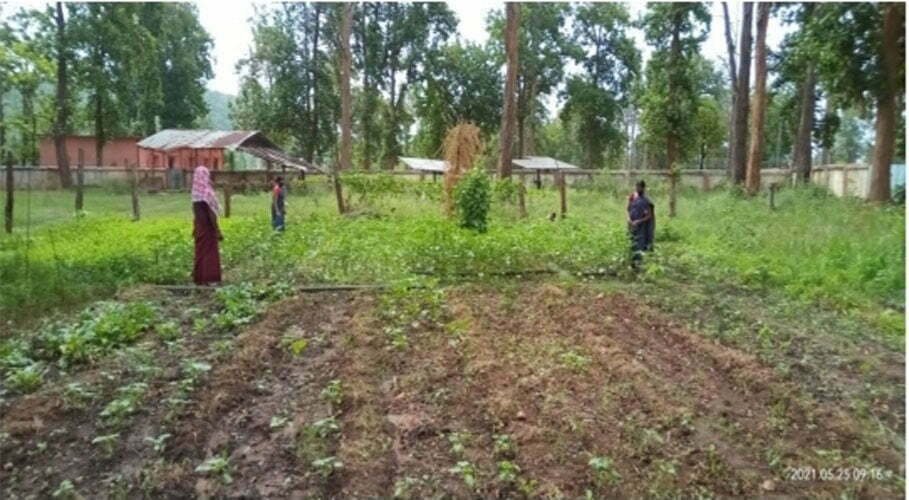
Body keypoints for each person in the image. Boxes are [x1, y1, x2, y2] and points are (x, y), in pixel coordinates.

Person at [191, 165, 222, 285]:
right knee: (210, 254)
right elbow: (211, 214)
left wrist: (194, 228)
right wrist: (217, 230)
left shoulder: (195, 193)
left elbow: (195, 213)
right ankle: (210, 279)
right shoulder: (206, 193)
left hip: (199, 227)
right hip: (208, 228)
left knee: (200, 252)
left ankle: (199, 278)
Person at [627, 180, 655, 267]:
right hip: (632, 225)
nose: (637, 188)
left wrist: (639, 221)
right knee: (631, 243)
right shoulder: (633, 197)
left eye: (639, 187)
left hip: (641, 227)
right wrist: (628, 219)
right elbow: (628, 209)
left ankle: (639, 264)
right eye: (636, 186)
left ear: (643, 188)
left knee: (640, 245)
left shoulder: (646, 201)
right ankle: (632, 263)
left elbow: (649, 216)